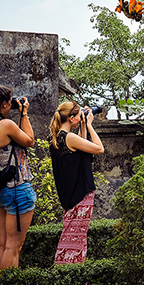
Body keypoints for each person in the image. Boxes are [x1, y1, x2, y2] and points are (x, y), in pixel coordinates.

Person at [0, 85, 36, 270]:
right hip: (17, 188)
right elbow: (29, 140)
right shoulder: (5, 125)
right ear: (4, 104)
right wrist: (24, 114)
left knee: (2, 243)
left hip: (0, 190)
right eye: (9, 101)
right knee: (14, 246)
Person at [48, 101, 104, 264]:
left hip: (69, 195)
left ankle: (75, 273)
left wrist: (84, 126)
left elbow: (80, 150)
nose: (81, 119)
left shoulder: (56, 137)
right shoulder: (69, 138)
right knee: (74, 238)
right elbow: (99, 149)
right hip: (80, 194)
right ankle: (66, 272)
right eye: (79, 116)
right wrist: (90, 126)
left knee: (74, 237)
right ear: (71, 118)